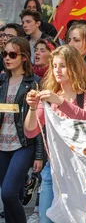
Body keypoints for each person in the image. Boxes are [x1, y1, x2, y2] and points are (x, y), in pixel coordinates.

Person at [24, 45, 86, 223]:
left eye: (63, 65)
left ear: (75, 66)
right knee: (45, 218)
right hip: (54, 168)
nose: (58, 70)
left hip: (82, 169)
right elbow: (31, 130)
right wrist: (33, 107)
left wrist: (59, 101)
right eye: (55, 65)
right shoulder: (50, 96)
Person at [0, 38, 43, 223]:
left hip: (23, 145)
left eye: (12, 54)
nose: (7, 58)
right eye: (4, 54)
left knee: (8, 194)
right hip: (2, 145)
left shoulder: (34, 83)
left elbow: (41, 122)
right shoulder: (1, 80)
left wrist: (39, 155)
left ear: (24, 57)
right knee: (11, 197)